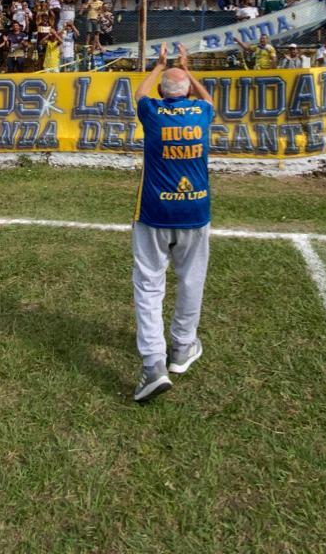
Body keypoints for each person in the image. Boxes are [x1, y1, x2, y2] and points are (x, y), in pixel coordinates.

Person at [131, 43, 214, 403]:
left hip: (153, 213)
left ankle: (153, 363)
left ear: (163, 93)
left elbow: (139, 92)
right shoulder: (201, 114)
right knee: (191, 280)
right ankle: (181, 347)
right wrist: (185, 69)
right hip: (195, 212)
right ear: (186, 93)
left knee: (150, 286)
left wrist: (159, 66)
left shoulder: (152, 113)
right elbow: (208, 98)